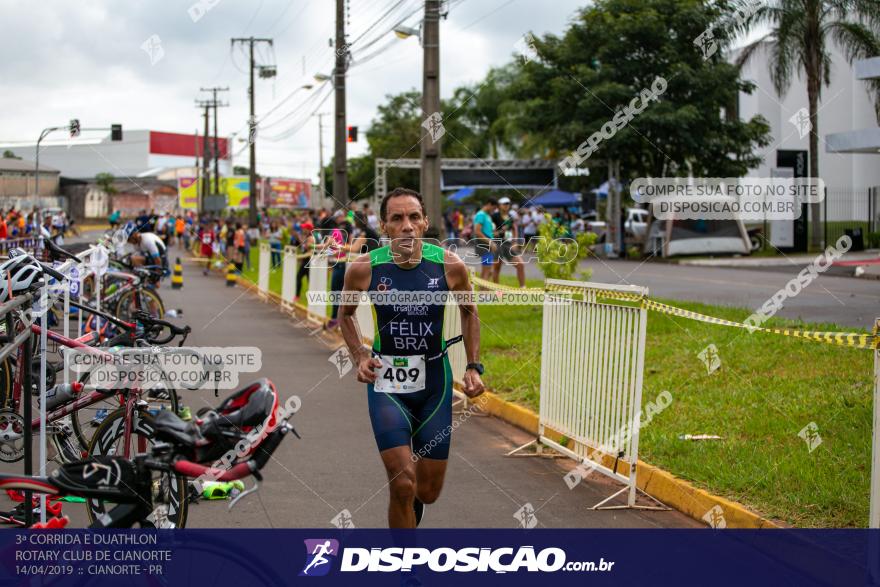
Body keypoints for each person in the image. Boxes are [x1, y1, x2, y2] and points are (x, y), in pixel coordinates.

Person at [338, 187, 485, 528]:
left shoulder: (449, 265)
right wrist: (359, 355)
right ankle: (404, 568)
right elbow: (345, 314)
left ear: (425, 223)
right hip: (386, 381)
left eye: (414, 217)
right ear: (384, 226)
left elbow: (469, 311)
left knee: (427, 490)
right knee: (403, 482)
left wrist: (473, 366)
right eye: (397, 218)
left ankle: (412, 503)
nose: (406, 225)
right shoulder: (363, 268)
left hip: (435, 383)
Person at [491, 197, 526, 287]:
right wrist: (498, 232)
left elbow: (514, 228)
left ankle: (523, 288)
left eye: (508, 204)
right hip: (497, 243)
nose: (507, 206)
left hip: (508, 244)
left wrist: (515, 241)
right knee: (497, 268)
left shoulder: (510, 216)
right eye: (504, 204)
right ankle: (497, 291)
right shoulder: (494, 216)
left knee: (520, 265)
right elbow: (490, 231)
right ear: (499, 205)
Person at [473, 199, 498, 282]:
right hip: (483, 244)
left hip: (487, 243)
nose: (493, 210)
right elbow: (477, 231)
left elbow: (486, 230)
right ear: (489, 204)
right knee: (487, 271)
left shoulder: (487, 215)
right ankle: (483, 294)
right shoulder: (481, 214)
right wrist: (490, 242)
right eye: (493, 208)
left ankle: (483, 293)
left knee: (488, 271)